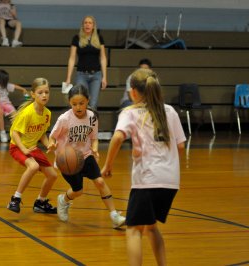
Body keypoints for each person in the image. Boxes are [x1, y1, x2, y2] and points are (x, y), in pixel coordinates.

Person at [101, 68, 186, 266]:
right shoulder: (170, 111)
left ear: (133, 92)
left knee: (133, 230)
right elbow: (180, 146)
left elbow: (118, 137)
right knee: (151, 227)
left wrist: (107, 165)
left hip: (147, 179)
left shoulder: (130, 113)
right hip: (170, 182)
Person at [47, 84, 125, 228]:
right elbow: (52, 137)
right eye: (74, 104)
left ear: (88, 101)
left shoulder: (92, 117)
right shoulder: (64, 119)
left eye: (81, 103)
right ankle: (63, 200)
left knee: (100, 182)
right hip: (68, 160)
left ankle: (114, 215)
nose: (78, 107)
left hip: (86, 155)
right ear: (70, 103)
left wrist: (95, 149)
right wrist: (51, 145)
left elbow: (94, 137)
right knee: (78, 191)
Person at [7, 77, 57, 214]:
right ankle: (15, 199)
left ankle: (40, 203)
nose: (44, 95)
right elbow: (14, 133)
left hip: (32, 148)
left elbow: (42, 134)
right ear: (33, 94)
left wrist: (49, 144)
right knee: (33, 166)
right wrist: (23, 149)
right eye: (40, 92)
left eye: (46, 92)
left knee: (52, 175)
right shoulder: (27, 113)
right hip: (17, 147)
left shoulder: (47, 114)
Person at [65, 15, 107, 110]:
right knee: (81, 100)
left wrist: (104, 77)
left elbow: (103, 57)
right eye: (85, 23)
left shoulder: (99, 38)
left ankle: (91, 124)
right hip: (81, 74)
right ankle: (81, 124)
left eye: (90, 23)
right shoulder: (77, 38)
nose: (87, 25)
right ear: (82, 25)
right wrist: (68, 78)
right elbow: (72, 58)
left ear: (93, 26)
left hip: (96, 75)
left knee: (93, 103)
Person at [0, 69, 27, 143]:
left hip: (6, 103)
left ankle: (17, 133)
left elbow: (14, 86)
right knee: (0, 113)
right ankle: (2, 133)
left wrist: (23, 89)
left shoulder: (6, 85)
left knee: (15, 115)